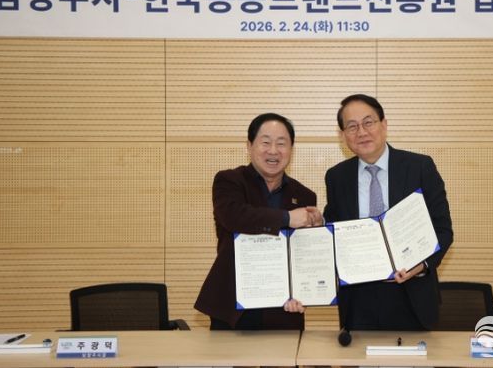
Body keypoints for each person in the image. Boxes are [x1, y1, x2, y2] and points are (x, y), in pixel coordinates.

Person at [323, 94, 454, 331]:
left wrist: (421, 266)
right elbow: (335, 231)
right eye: (352, 126)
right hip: (358, 302)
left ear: (384, 124)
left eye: (368, 122)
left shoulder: (420, 167)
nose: (361, 132)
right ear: (343, 135)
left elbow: (443, 230)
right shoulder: (337, 177)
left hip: (413, 296)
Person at [194, 113, 322, 330]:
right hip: (235, 307)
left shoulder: (304, 195)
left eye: (281, 143)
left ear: (291, 149)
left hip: (284, 307)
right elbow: (234, 217)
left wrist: (305, 291)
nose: (273, 151)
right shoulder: (229, 181)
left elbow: (304, 256)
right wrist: (287, 218)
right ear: (249, 146)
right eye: (265, 142)